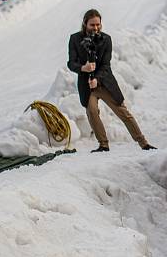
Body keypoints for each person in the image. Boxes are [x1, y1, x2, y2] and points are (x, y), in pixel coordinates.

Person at [67, 9, 156, 152]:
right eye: (92, 25)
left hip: (105, 82)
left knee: (123, 112)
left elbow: (106, 65)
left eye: (98, 25)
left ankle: (143, 143)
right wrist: (83, 68)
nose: (95, 28)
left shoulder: (106, 39)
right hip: (86, 85)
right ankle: (103, 144)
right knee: (92, 111)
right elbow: (71, 63)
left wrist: (96, 78)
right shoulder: (75, 39)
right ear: (85, 24)